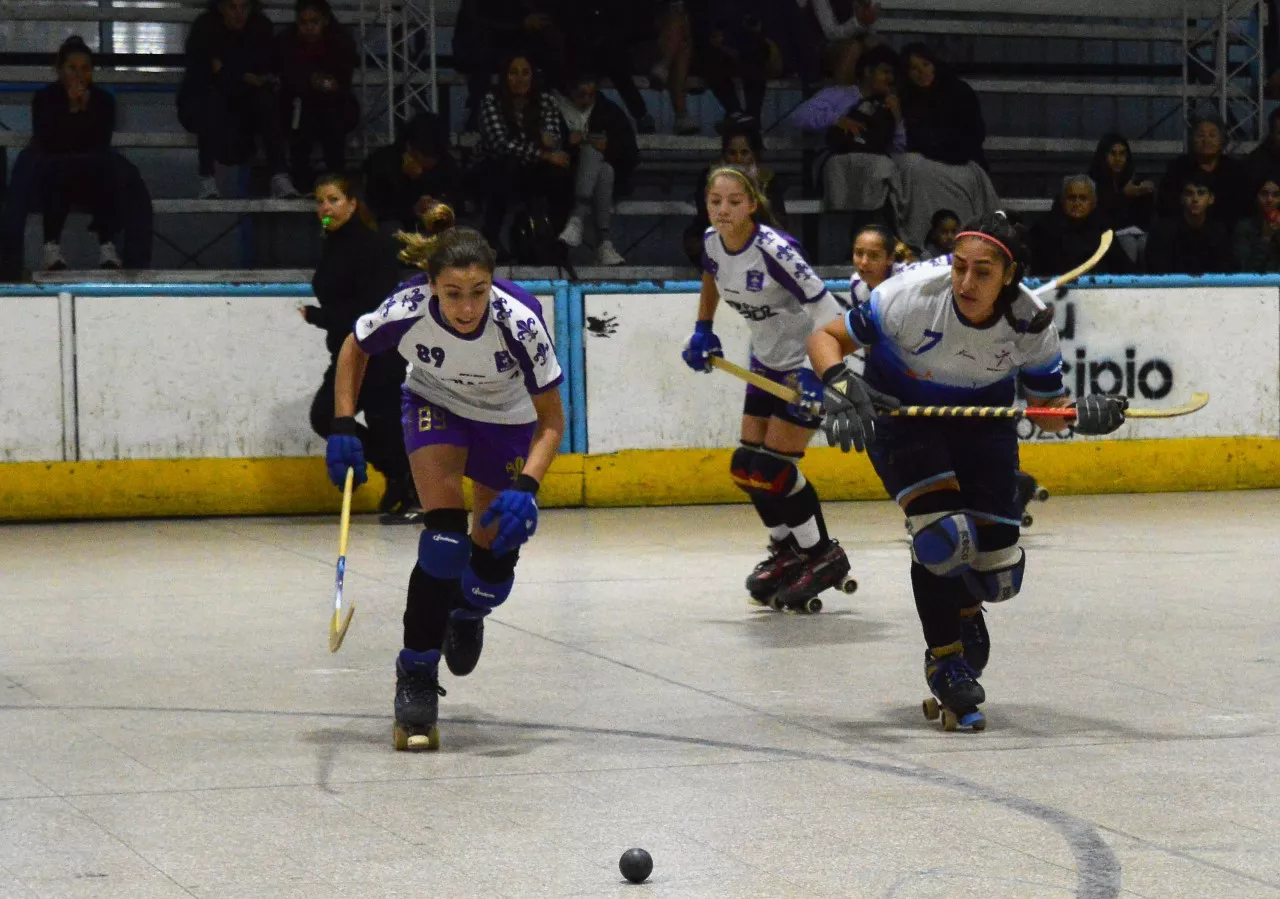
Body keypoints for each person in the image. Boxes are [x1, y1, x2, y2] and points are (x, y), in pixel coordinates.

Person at [806, 213, 1129, 730]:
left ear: (1010, 274)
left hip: (982, 425)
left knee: (999, 572)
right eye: (959, 267)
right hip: (902, 418)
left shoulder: (1032, 321)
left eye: (982, 272)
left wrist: (1079, 416)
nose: (965, 283)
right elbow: (825, 338)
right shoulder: (908, 295)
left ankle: (965, 608)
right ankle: (946, 659)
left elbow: (1049, 408)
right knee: (942, 538)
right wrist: (842, 386)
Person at [323, 220, 565, 750]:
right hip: (435, 403)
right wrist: (344, 423)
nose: (466, 308)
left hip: (508, 419)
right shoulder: (406, 307)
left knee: (491, 575)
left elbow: (552, 419)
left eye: (478, 292)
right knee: (443, 542)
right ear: (431, 284)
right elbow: (354, 347)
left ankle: (468, 610)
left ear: (492, 284)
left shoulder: (520, 323)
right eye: (452, 293)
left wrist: (528, 484)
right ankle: (415, 673)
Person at [680, 167, 853, 613]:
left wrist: (821, 371)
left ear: (752, 204)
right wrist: (703, 328)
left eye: (734, 201)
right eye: (715, 201)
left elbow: (826, 307)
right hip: (765, 362)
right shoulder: (711, 242)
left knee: (774, 469)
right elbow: (710, 274)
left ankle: (821, 555)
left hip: (803, 364)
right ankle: (786, 551)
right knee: (747, 467)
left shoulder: (775, 250)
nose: (723, 210)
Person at [301, 173, 417, 521]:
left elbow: (372, 309)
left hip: (377, 353)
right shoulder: (332, 244)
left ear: (352, 204)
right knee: (345, 419)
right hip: (347, 350)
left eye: (333, 199)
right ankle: (402, 478)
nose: (325, 207)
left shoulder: (370, 246)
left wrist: (320, 317)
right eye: (320, 201)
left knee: (357, 419)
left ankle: (409, 484)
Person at [178, 0, 296, 199]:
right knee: (210, 100)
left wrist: (225, 71)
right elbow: (202, 75)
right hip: (205, 101)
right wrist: (241, 76)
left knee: (267, 101)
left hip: (244, 104)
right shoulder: (205, 27)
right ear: (221, 7)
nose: (239, 14)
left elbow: (263, 72)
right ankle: (206, 177)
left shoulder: (260, 26)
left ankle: (279, 176)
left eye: (244, 7)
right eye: (232, 7)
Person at [31, 36, 121, 270]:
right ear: (59, 70)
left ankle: (107, 247)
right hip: (57, 168)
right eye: (72, 68)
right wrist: (72, 110)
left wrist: (84, 110)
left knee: (106, 168)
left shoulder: (104, 101)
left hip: (91, 170)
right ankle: (51, 248)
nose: (79, 75)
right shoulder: (44, 99)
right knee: (57, 168)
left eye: (85, 69)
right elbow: (50, 142)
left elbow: (100, 142)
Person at [791, 45, 904, 230]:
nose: (890, 79)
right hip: (834, 157)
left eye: (892, 74)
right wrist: (836, 120)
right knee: (879, 169)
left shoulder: (890, 103)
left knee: (889, 168)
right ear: (868, 71)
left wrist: (897, 117)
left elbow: (899, 147)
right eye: (885, 72)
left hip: (876, 161)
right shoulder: (838, 94)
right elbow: (799, 117)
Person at [470, 54, 573, 257]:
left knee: (560, 173)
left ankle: (555, 239)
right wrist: (541, 152)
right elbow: (501, 144)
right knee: (506, 166)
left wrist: (544, 150)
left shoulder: (545, 100)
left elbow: (553, 140)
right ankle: (491, 236)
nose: (520, 79)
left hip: (532, 168)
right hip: (497, 167)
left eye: (526, 73)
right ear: (504, 76)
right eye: (513, 73)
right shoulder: (492, 100)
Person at [552, 73, 639, 265]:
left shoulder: (607, 110)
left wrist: (608, 147)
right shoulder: (552, 107)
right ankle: (604, 242)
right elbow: (542, 142)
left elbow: (630, 151)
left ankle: (577, 218)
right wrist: (569, 141)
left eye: (591, 95)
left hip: (599, 179)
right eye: (581, 95)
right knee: (600, 164)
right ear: (569, 91)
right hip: (563, 176)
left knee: (603, 166)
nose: (587, 101)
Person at [275, 0, 359, 191]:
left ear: (325, 21)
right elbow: (287, 77)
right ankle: (302, 178)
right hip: (297, 104)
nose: (309, 28)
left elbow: (341, 80)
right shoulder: (286, 40)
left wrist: (325, 83)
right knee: (301, 114)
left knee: (332, 112)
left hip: (333, 104)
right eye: (304, 22)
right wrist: (310, 81)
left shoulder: (340, 41)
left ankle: (335, 175)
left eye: (314, 22)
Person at [682, 126, 786, 267]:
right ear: (724, 154)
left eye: (744, 152)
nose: (738, 159)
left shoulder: (766, 178)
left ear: (754, 154)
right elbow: (705, 213)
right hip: (719, 230)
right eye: (732, 153)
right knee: (695, 242)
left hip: (758, 233)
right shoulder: (710, 177)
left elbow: (776, 217)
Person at [362, 112, 464, 232]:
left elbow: (458, 200)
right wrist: (412, 211)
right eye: (426, 155)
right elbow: (377, 208)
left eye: (435, 157)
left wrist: (437, 201)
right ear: (410, 147)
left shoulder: (445, 162)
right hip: (398, 226)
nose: (431, 162)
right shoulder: (383, 163)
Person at [1030, 175, 1131, 277]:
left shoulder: (1103, 230)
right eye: (1071, 198)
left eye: (1083, 198)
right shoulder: (1045, 228)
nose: (1077, 203)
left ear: (1093, 202)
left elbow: (1124, 268)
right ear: (1063, 200)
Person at [1156, 116, 1247, 225]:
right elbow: (1166, 206)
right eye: (1200, 135)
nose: (1206, 140)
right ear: (1192, 140)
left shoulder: (1234, 169)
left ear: (1222, 141)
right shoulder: (1178, 167)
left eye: (1212, 135)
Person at [1146, 175, 1236, 274]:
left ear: (1211, 199)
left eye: (1201, 193)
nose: (1195, 199)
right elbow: (1157, 271)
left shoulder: (1219, 232)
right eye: (1189, 193)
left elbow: (1224, 271)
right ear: (1181, 198)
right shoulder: (1163, 231)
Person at [1088, 132, 1154, 232]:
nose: (1118, 159)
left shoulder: (1133, 181)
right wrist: (1123, 195)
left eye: (1122, 154)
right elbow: (1099, 216)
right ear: (1103, 156)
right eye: (1113, 153)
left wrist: (1146, 193)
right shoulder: (1092, 182)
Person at [848, 223, 912, 304]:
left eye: (874, 255)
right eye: (859, 253)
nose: (864, 262)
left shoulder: (907, 279)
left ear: (890, 258)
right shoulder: (856, 282)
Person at [1233, 175, 1280, 272]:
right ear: (1256, 196)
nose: (1269, 199)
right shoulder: (1244, 228)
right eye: (1264, 193)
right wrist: (1265, 238)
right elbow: (1246, 269)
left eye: (1276, 195)